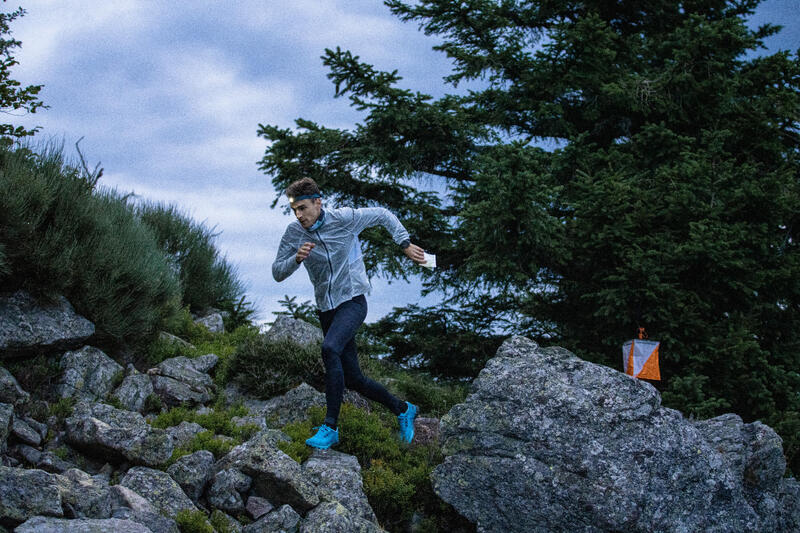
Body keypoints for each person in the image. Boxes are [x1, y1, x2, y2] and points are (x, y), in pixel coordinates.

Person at [272, 177, 426, 449]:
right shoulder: (294, 233)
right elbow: (277, 273)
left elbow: (383, 215)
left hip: (353, 300)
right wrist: (296, 259)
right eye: (294, 210)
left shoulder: (345, 219)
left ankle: (330, 427)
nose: (299, 215)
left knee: (330, 348)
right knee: (354, 379)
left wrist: (404, 243)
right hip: (326, 309)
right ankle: (403, 409)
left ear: (318, 202)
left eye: (303, 208)